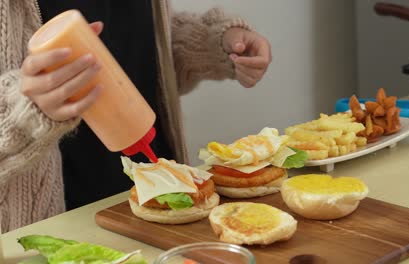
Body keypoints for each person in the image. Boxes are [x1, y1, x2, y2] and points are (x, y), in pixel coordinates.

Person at [0, 0, 271, 232]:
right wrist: (24, 109)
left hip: (161, 208)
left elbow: (135, 46)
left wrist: (212, 43)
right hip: (56, 231)